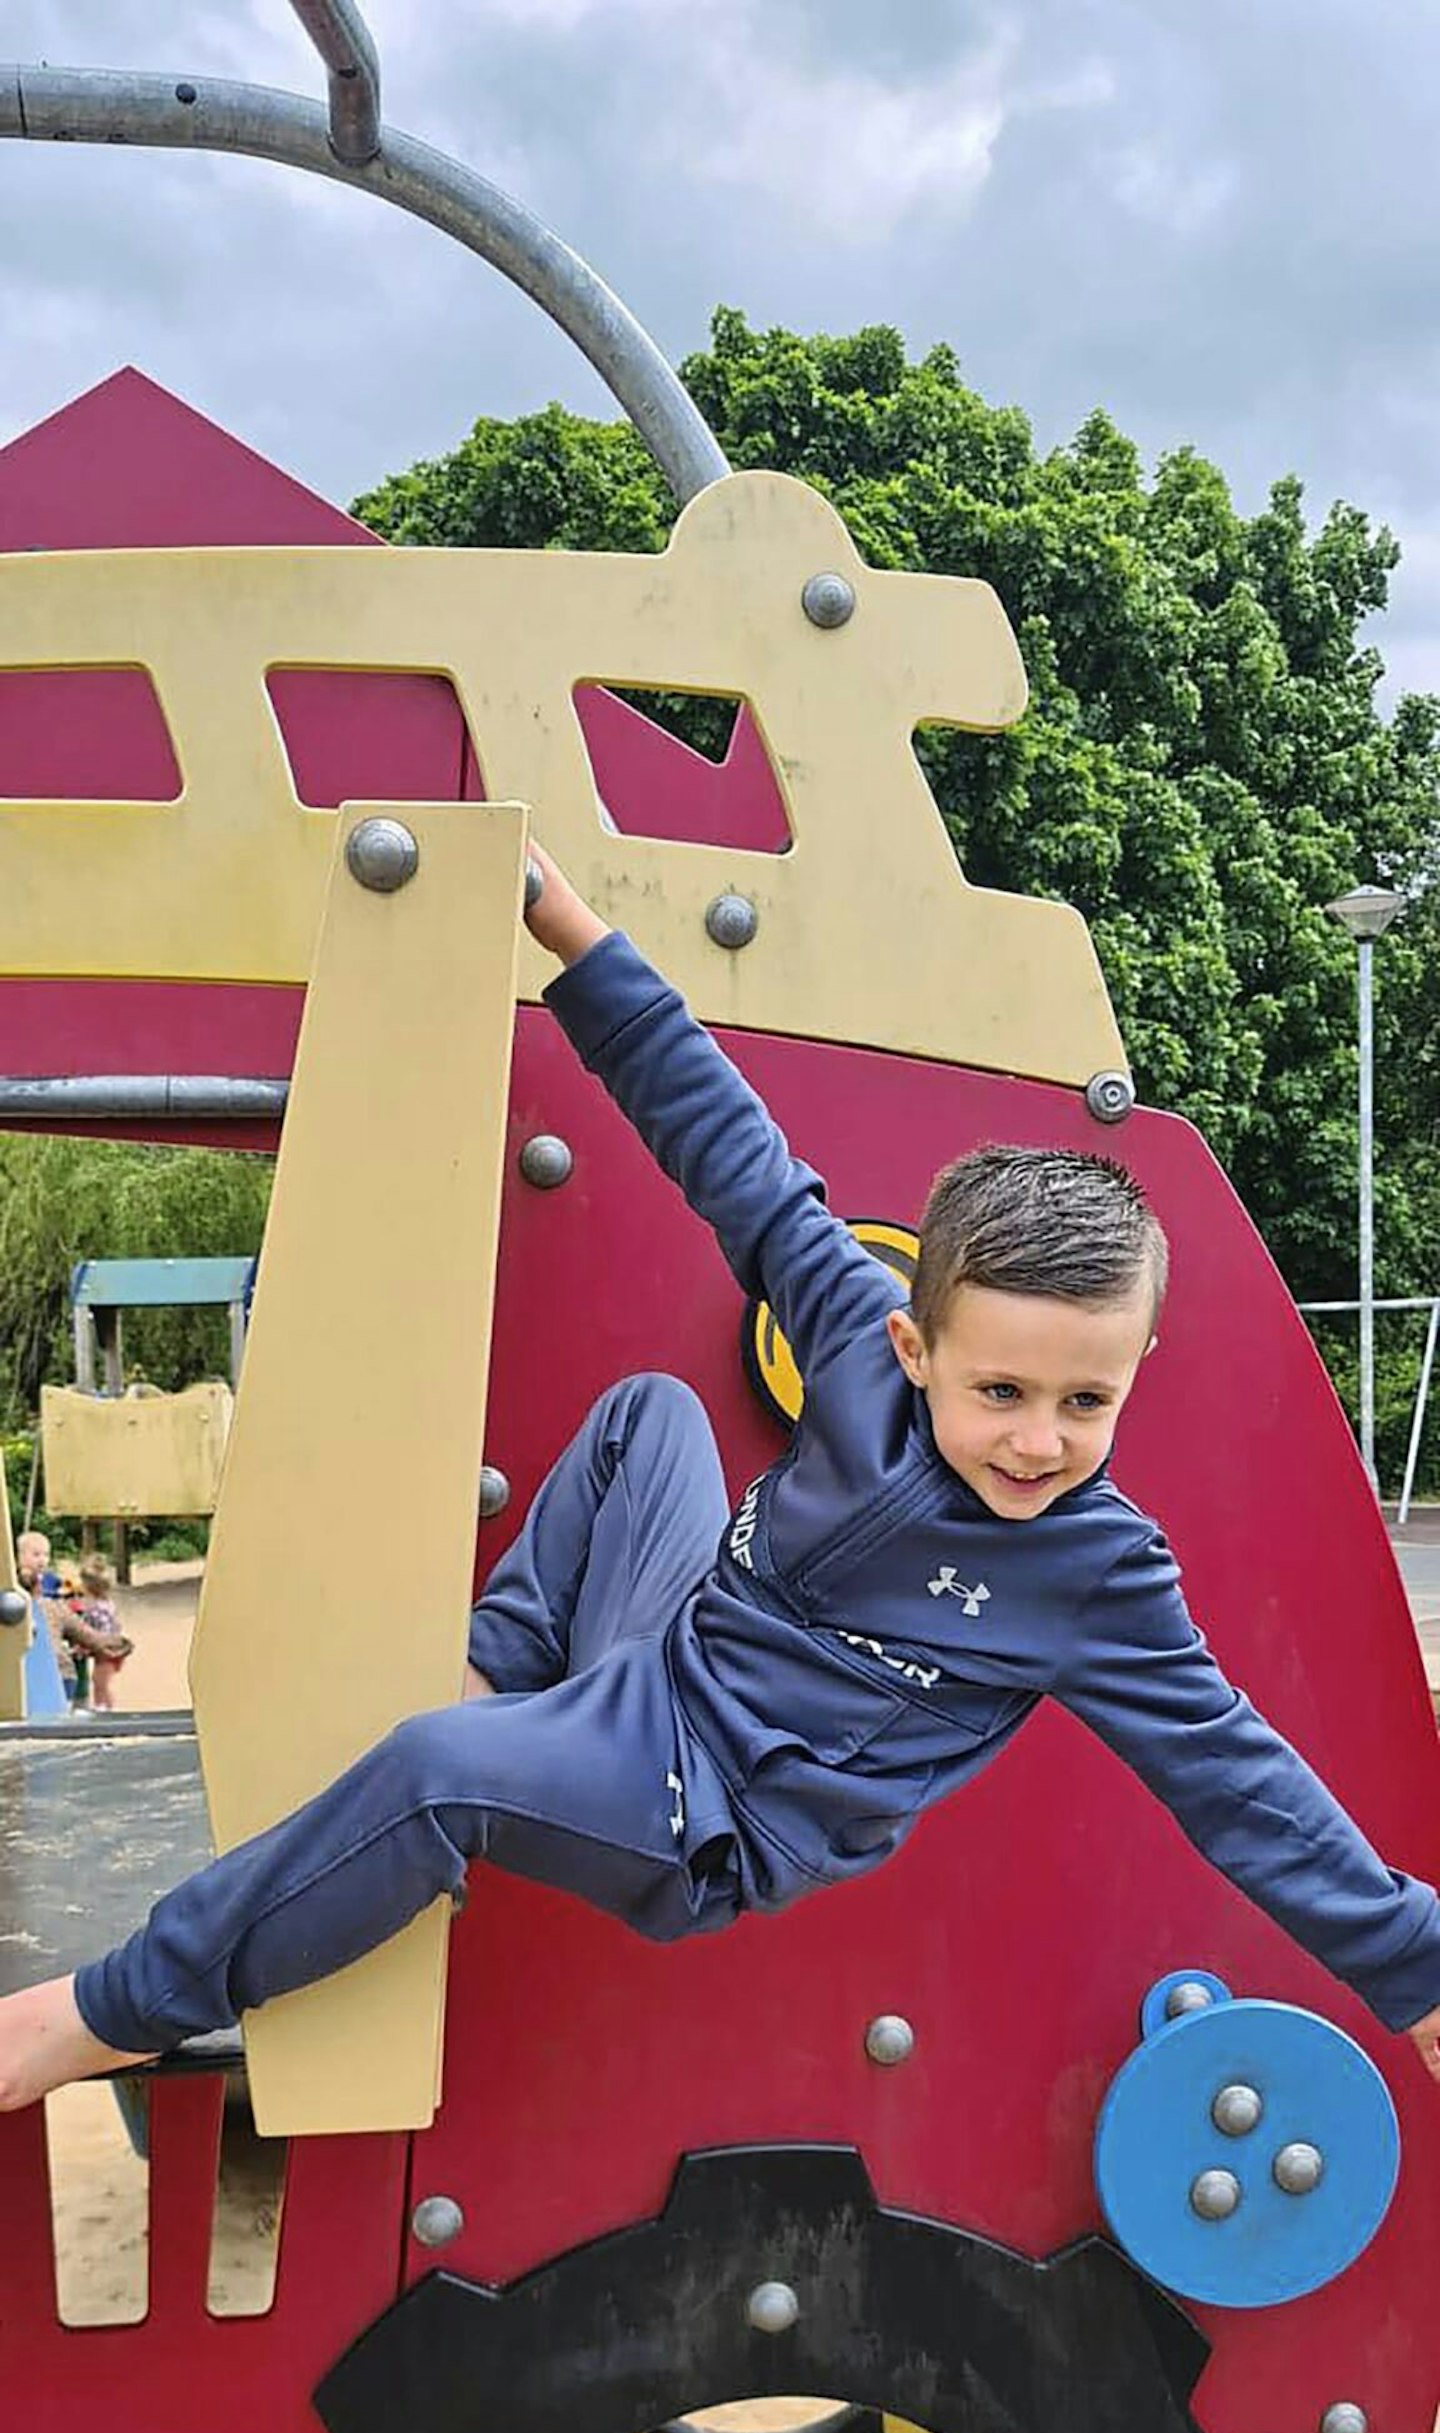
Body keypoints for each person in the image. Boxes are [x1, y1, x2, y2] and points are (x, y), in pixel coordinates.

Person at [1, 846, 1437, 2113]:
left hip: (713, 1817)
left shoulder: (1098, 1575)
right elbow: (738, 1160)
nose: (1037, 1441)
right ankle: (506, 1698)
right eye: (1000, 1390)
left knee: (433, 1776)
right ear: (911, 1346)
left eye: (1085, 1403)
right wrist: (571, 931)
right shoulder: (859, 1358)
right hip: (661, 1666)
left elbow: (1242, 1787)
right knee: (650, 1416)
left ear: (1134, 1377)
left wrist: (1416, 1974)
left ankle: (113, 2013)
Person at [15, 1529, 130, 1710]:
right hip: (41, 1674)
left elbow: (87, 1634)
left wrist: (115, 1642)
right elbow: (88, 1635)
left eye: (45, 1555)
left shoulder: (56, 1605)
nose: (42, 1560)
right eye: (36, 1554)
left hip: (52, 1674)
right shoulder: (47, 1607)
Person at [73, 1551, 133, 1710]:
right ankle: (102, 1706)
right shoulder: (103, 1603)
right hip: (109, 1647)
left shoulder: (97, 1608)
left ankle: (105, 1708)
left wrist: (85, 1645)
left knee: (100, 1682)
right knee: (99, 1681)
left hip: (109, 1650)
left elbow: (99, 1632)